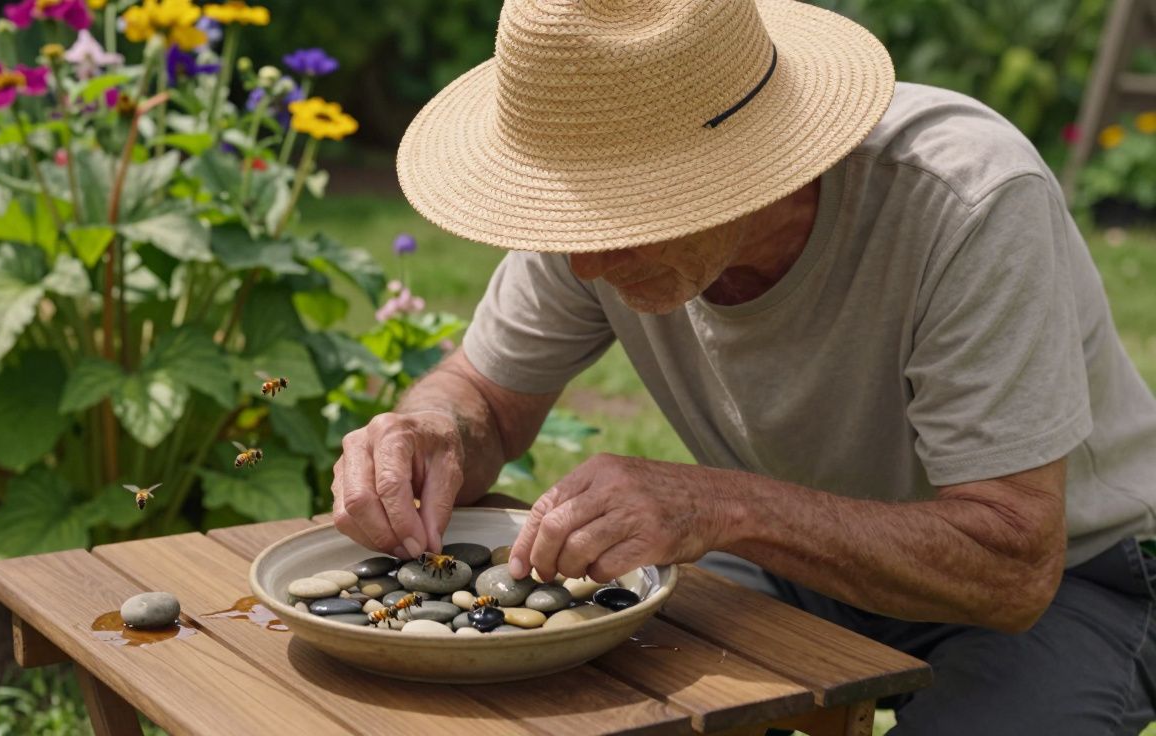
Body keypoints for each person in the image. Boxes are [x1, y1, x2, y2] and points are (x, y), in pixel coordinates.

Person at [331, 0, 1156, 732]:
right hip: (799, 563)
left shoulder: (967, 200)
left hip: (1078, 579)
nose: (580, 263)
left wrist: (719, 506)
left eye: (618, 213)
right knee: (590, 705)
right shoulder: (591, 215)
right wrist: (434, 428)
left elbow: (1012, 567)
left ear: (745, 169)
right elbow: (482, 394)